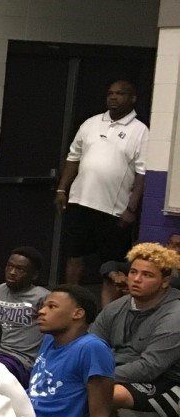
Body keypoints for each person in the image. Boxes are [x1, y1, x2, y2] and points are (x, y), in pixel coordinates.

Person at [27, 285, 158, 417]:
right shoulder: (50, 340)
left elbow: (99, 416)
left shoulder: (92, 349)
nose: (42, 311)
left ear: (77, 314)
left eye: (51, 306)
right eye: (43, 306)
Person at [56, 80, 147, 284]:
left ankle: (109, 313)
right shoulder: (91, 123)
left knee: (111, 265)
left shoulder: (140, 131)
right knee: (74, 255)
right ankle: (70, 301)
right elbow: (73, 157)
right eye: (110, 93)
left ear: (132, 98)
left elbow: (143, 173)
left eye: (120, 94)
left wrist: (131, 209)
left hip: (114, 211)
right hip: (80, 203)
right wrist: (62, 189)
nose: (113, 97)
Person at [90, 242, 180, 417]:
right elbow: (91, 344)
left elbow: (149, 367)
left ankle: (140, 412)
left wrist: (97, 378)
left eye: (147, 275)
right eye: (133, 272)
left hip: (167, 380)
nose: (136, 279)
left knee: (110, 393)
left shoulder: (175, 314)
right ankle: (128, 412)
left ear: (165, 281)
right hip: (120, 373)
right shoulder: (117, 307)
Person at [0, 245, 48, 387]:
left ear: (33, 275)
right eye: (9, 266)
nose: (12, 272)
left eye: (20, 269)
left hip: (22, 359)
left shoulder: (43, 297)